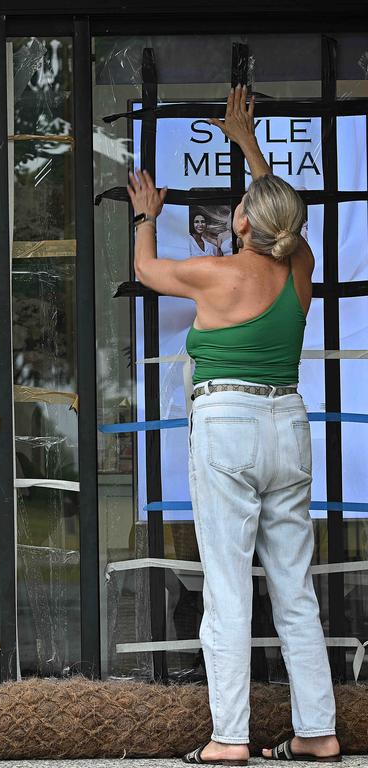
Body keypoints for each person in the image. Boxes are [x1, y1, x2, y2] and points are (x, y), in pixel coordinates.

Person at [127, 86, 340, 765]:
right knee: (294, 588)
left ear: (243, 223)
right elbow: (278, 213)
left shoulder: (216, 273)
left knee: (226, 586)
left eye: (243, 204)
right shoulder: (300, 265)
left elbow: (145, 268)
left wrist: (145, 214)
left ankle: (230, 737)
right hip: (288, 421)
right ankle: (317, 731)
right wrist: (248, 147)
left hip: (227, 424)